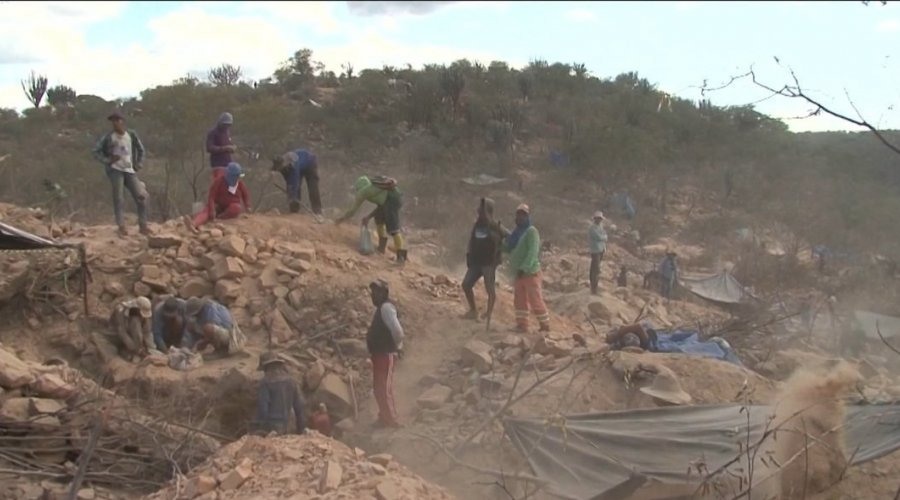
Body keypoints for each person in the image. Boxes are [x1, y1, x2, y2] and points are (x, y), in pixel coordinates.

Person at [92, 111, 149, 237]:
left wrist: (138, 163)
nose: (115, 123)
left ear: (122, 121)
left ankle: (143, 225)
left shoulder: (131, 135)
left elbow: (141, 149)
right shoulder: (109, 137)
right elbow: (95, 151)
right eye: (113, 121)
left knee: (141, 196)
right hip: (115, 170)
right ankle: (121, 226)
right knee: (118, 198)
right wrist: (107, 160)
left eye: (117, 120)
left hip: (129, 169)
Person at [335, 176, 406, 263]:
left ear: (359, 187)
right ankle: (381, 248)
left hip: (392, 201)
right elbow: (381, 205)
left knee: (394, 229)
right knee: (379, 221)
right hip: (390, 200)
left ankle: (401, 257)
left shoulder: (363, 192)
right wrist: (368, 217)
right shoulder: (375, 189)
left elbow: (352, 210)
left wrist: (341, 219)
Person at [461, 198, 508, 323]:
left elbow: (508, 237)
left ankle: (488, 313)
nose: (479, 212)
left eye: (482, 210)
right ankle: (473, 311)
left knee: (490, 290)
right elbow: (472, 241)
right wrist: (469, 255)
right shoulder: (477, 225)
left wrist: (500, 249)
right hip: (476, 262)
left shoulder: (495, 226)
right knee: (466, 284)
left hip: (489, 263)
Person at [505, 204, 550, 333]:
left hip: (530, 272)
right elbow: (509, 248)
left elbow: (532, 252)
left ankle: (545, 325)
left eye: (523, 215)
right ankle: (522, 325)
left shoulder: (531, 231)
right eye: (518, 214)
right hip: (518, 273)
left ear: (527, 216)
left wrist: (524, 267)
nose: (519, 217)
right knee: (519, 301)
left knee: (535, 300)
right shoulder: (516, 233)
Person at [366, 279, 404, 428]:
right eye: (372, 292)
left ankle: (393, 421)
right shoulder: (382, 308)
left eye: (377, 292)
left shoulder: (387, 308)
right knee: (378, 388)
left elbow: (398, 331)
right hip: (379, 354)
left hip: (385, 354)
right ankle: (384, 417)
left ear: (384, 293)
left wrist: (397, 346)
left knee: (384, 388)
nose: (373, 295)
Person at [184, 162, 250, 232]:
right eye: (234, 176)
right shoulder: (219, 181)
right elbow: (211, 196)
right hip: (217, 205)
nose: (236, 178)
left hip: (230, 208)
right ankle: (194, 224)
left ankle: (219, 218)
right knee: (206, 211)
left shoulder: (240, 184)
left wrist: (248, 206)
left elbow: (245, 195)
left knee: (236, 208)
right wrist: (212, 210)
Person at [253, 352, 306, 435]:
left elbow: (263, 409)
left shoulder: (265, 382)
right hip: (289, 425)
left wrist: (260, 427)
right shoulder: (291, 381)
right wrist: (301, 429)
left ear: (266, 367)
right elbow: (299, 407)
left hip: (272, 427)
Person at [272, 149, 323, 217]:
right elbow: (288, 181)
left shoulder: (292, 166)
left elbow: (294, 182)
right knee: (294, 190)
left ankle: (317, 211)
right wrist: (290, 192)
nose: (279, 169)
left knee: (312, 187)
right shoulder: (282, 165)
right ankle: (294, 211)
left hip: (310, 162)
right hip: (301, 165)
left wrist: (292, 195)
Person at [206, 112, 236, 179]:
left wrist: (232, 148)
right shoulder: (213, 133)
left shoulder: (227, 132)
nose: (226, 127)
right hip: (218, 164)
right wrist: (224, 148)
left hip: (228, 164)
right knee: (219, 183)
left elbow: (228, 143)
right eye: (225, 124)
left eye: (228, 125)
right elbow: (209, 148)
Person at [588, 211, 608, 295]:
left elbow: (605, 236)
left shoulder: (600, 226)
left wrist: (604, 238)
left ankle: (594, 286)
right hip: (595, 250)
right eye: (598, 218)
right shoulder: (592, 228)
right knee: (596, 269)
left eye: (600, 219)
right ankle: (594, 288)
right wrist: (604, 237)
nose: (599, 220)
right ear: (595, 219)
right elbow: (599, 237)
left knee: (595, 268)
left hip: (601, 249)